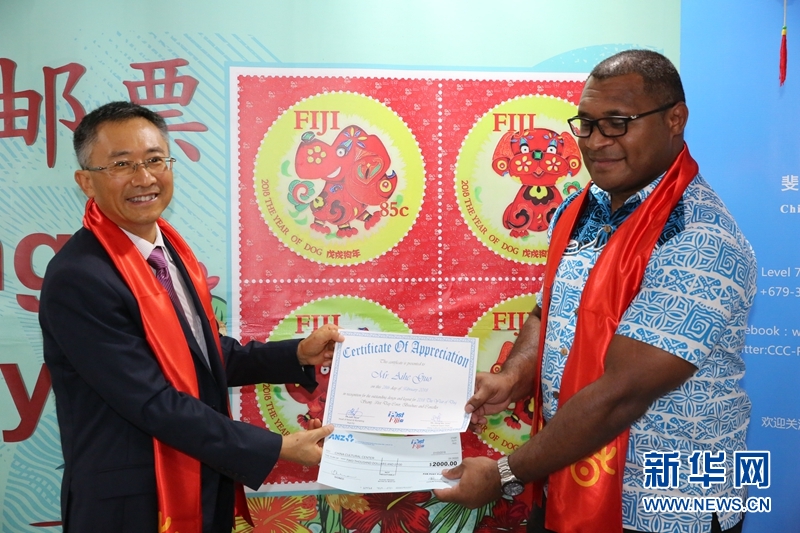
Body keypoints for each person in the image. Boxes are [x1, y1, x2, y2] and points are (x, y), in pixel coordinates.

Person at [434, 50, 756, 533]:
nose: (597, 141)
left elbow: (621, 394)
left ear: (675, 119)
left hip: (662, 509)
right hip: (565, 483)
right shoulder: (578, 209)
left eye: (617, 123)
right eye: (586, 124)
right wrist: (514, 376)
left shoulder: (700, 238)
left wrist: (504, 475)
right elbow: (548, 313)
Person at [38, 101, 344, 533]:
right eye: (122, 164)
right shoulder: (80, 277)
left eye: (154, 160)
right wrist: (276, 447)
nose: (144, 178)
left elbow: (200, 357)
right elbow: (151, 400)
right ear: (86, 181)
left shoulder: (170, 253)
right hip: (131, 508)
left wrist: (296, 354)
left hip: (201, 483)